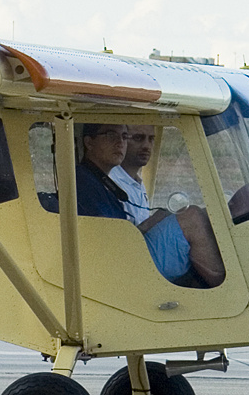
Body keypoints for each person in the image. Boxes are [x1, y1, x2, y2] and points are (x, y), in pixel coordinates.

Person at [81, 122, 226, 289]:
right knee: (192, 217)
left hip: (130, 257)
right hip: (127, 269)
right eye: (111, 135)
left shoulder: (104, 180)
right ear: (89, 142)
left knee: (204, 214)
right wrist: (152, 222)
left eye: (124, 136)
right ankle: (227, 290)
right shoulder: (87, 184)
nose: (120, 143)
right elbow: (114, 241)